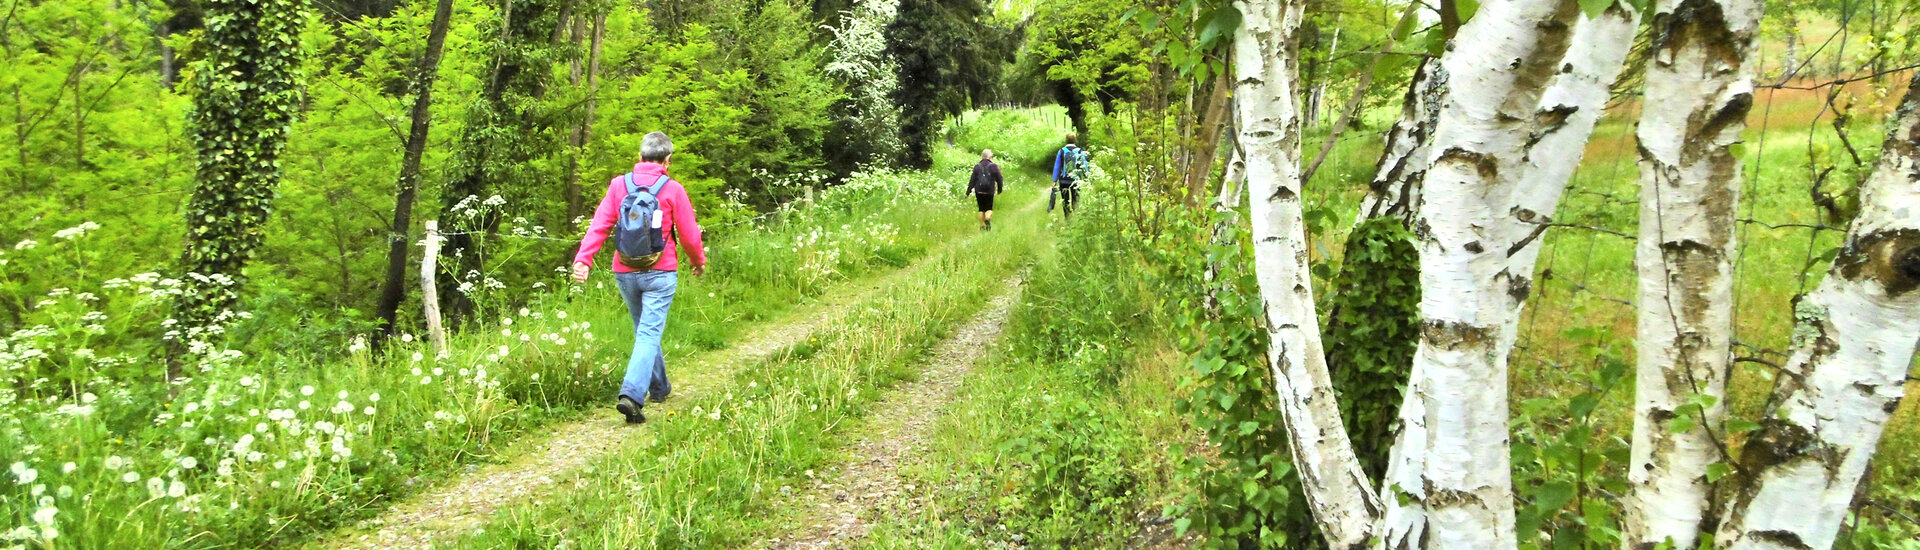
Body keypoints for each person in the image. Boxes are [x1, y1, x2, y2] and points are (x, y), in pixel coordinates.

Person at [571, 132, 707, 425]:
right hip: (661, 272)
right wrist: (698, 262)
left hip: (626, 272)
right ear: (667, 161)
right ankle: (632, 394)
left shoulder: (619, 185)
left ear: (640, 156)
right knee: (648, 333)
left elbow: (600, 225)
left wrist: (584, 259)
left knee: (645, 331)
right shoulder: (672, 189)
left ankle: (659, 387)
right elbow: (690, 235)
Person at [1051, 133, 1088, 219]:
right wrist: (1087, 177)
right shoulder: (1079, 151)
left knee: (1065, 200)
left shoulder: (1062, 151)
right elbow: (1084, 165)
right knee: (1075, 198)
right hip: (1075, 180)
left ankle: (1067, 218)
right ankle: (1076, 216)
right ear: (1075, 140)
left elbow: (1057, 166)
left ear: (1066, 140)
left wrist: (1054, 180)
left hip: (1063, 181)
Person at [967, 149, 1005, 230]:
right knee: (989, 208)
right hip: (989, 191)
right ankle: (987, 218)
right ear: (990, 157)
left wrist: (968, 192)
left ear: (982, 156)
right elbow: (1000, 179)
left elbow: (972, 180)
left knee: (981, 209)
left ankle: (982, 226)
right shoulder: (994, 166)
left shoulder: (977, 166)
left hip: (979, 190)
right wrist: (999, 189)